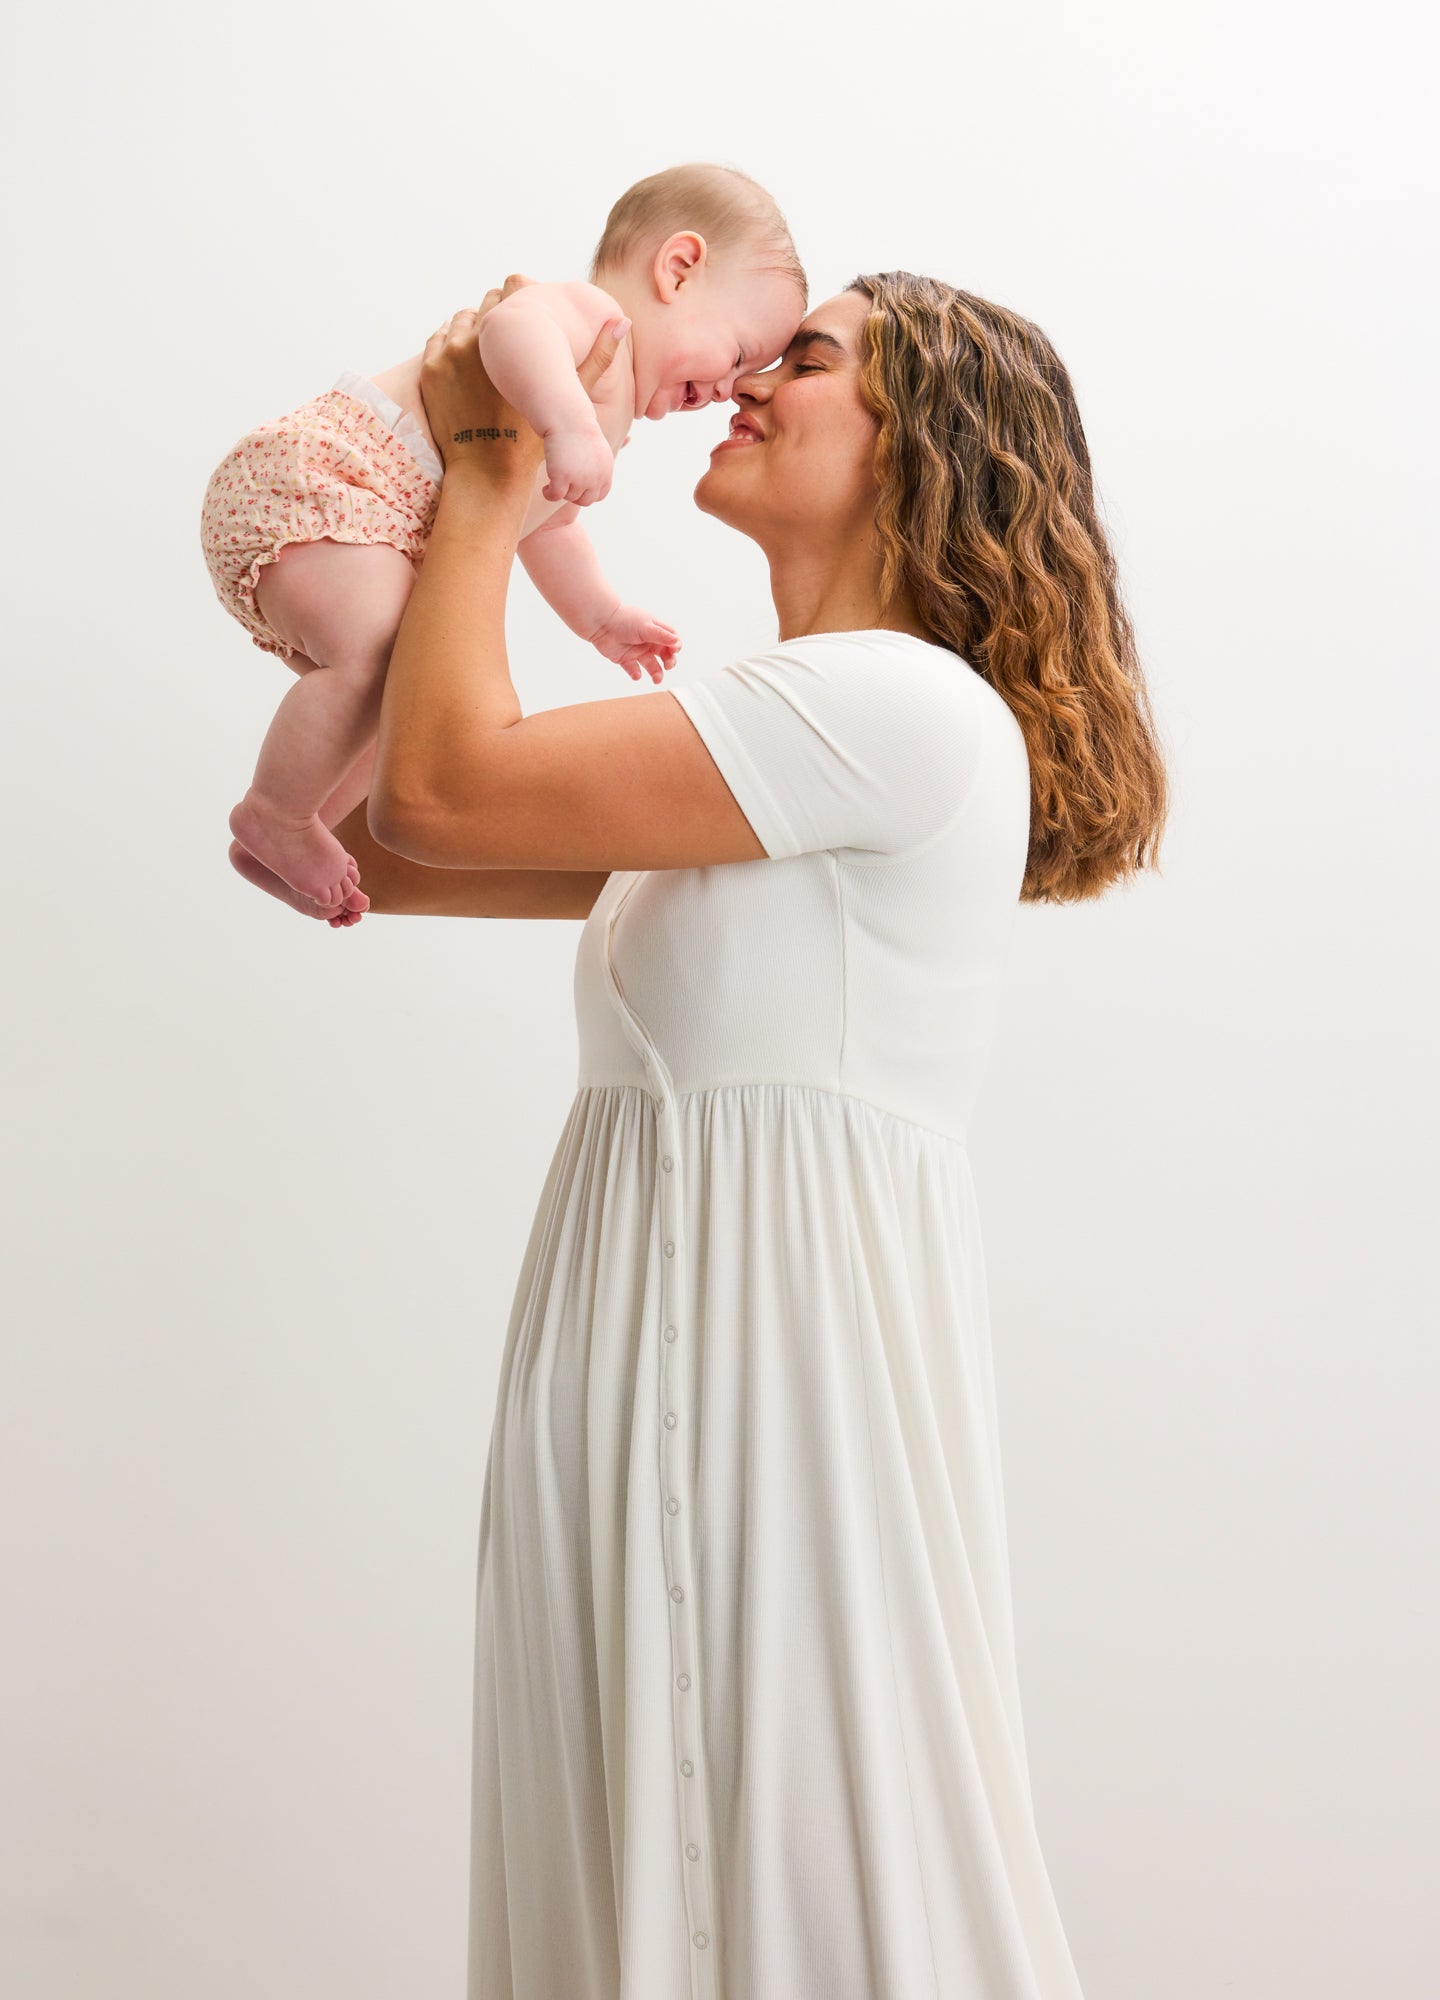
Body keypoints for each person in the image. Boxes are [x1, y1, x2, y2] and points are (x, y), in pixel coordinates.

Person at [250, 268, 1168, 1999]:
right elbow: (418, 844)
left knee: (790, 1849)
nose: (748, 374)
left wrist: (492, 461)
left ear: (930, 446)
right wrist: (386, 547)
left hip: (768, 1375)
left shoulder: (886, 707)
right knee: (681, 1848)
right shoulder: (784, 733)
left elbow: (441, 789)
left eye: (807, 359)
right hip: (671, 1343)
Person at [200, 162, 806, 919]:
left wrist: (600, 617)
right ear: (679, 269)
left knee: (411, 688)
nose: (731, 388)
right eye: (741, 353)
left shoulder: (599, 409)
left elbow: (548, 525)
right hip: (326, 480)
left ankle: (301, 830)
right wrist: (565, 423)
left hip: (364, 526)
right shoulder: (593, 322)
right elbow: (508, 327)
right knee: (385, 654)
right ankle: (276, 813)